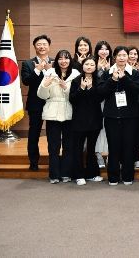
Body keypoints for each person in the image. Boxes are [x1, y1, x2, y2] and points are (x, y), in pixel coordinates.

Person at [97, 46, 139, 185]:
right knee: (113, 147)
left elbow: (137, 90)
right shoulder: (107, 73)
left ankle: (128, 176)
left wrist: (124, 78)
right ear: (114, 57)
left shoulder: (134, 73)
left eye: (124, 55)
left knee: (128, 147)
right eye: (119, 55)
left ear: (128, 57)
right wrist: (113, 80)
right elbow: (101, 92)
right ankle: (113, 177)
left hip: (130, 116)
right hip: (111, 116)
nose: (122, 58)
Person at [37, 49, 81, 183]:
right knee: (53, 146)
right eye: (60, 58)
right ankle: (54, 175)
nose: (63, 61)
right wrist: (45, 85)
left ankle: (66, 173)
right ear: (56, 60)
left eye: (66, 58)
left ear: (70, 60)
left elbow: (77, 96)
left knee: (69, 145)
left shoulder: (76, 74)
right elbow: (42, 95)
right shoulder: (50, 73)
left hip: (70, 113)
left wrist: (65, 88)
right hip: (52, 113)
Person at [69, 56, 104, 185]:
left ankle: (91, 174)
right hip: (79, 120)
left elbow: (99, 98)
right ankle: (78, 175)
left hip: (94, 119)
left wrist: (90, 88)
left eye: (92, 64)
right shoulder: (76, 80)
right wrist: (82, 88)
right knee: (78, 148)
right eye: (87, 64)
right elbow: (72, 99)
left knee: (91, 148)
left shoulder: (99, 80)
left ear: (96, 67)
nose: (89, 67)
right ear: (82, 66)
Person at [21, 34, 53, 171]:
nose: (42, 47)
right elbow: (26, 81)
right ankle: (33, 162)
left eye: (44, 44)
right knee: (34, 134)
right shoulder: (27, 64)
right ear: (35, 47)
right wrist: (38, 70)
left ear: (49, 47)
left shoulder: (55, 62)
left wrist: (49, 70)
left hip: (52, 103)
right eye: (39, 44)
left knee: (53, 135)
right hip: (35, 104)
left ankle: (54, 162)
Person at [93, 40, 112, 169]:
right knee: (99, 128)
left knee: (110, 128)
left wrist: (109, 70)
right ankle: (98, 154)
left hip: (110, 101)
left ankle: (111, 154)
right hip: (97, 102)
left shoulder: (114, 64)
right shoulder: (92, 63)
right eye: (101, 49)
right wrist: (98, 69)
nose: (104, 51)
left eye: (106, 49)